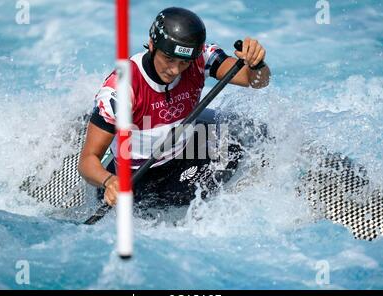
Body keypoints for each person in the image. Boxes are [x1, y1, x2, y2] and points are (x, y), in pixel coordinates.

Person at [78, 7, 270, 208]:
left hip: (185, 152)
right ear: (152, 45)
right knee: (158, 209)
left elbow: (256, 81)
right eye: (169, 59)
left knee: (241, 144)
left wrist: (256, 64)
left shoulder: (200, 58)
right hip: (140, 175)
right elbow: (87, 160)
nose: (175, 70)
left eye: (184, 62)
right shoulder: (122, 89)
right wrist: (109, 182)